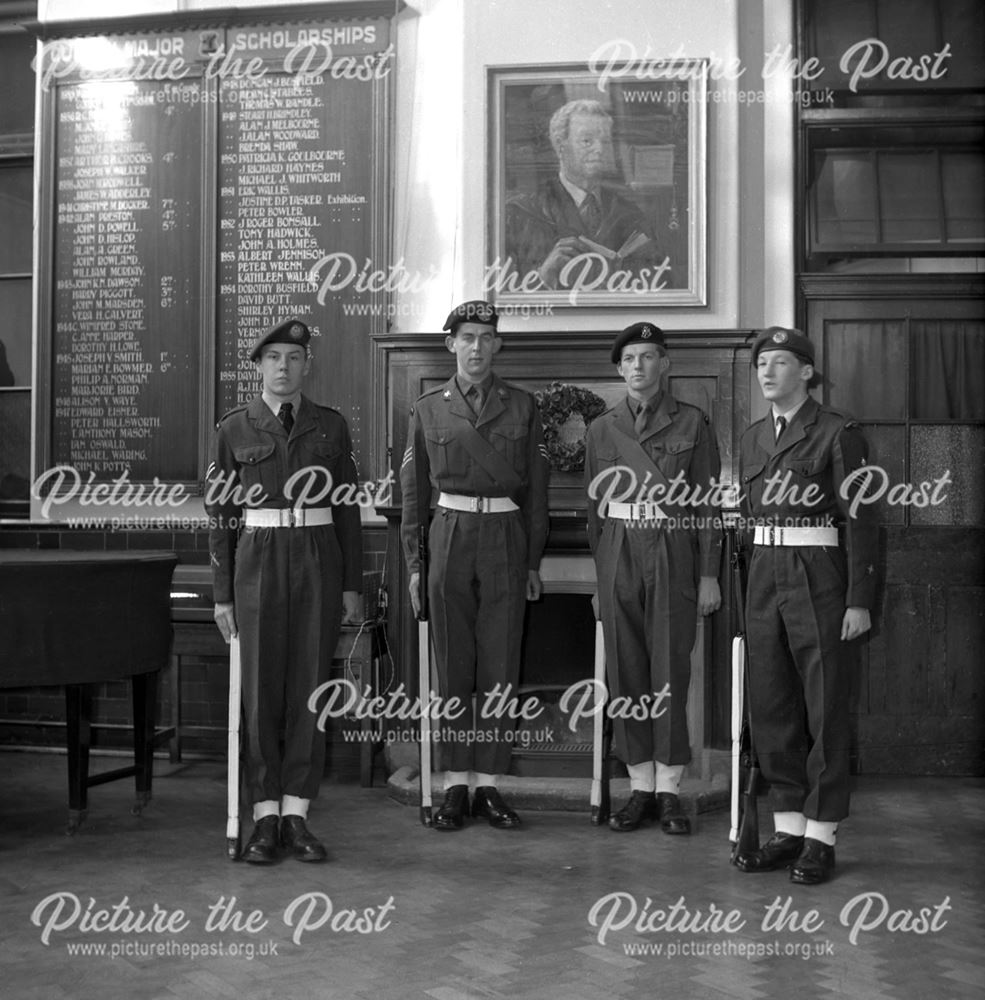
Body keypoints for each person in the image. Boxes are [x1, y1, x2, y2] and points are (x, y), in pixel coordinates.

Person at [207, 317, 363, 864]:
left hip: (318, 557)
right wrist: (223, 593)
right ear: (258, 367)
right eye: (273, 358)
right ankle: (264, 816)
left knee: (309, 690)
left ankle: (297, 813)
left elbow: (346, 510)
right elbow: (221, 516)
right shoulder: (234, 429)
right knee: (260, 691)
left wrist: (351, 586)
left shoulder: (332, 427)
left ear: (306, 366)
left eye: (293, 358)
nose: (283, 367)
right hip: (258, 563)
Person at [733, 326, 877, 885]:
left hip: (819, 576)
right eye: (761, 363)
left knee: (824, 707)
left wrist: (859, 599)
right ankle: (789, 826)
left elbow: (863, 522)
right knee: (771, 705)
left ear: (808, 372)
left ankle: (821, 834)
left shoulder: (840, 433)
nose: (767, 372)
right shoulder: (750, 439)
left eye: (780, 362)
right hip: (764, 577)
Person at [400, 300, 550, 831]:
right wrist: (417, 566)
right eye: (468, 337)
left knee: (500, 665)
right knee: (452, 668)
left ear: (498, 345)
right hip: (449, 538)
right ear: (451, 345)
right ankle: (454, 784)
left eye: (487, 338)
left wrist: (532, 560)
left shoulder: (522, 407)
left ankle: (489, 784)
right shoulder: (427, 408)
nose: (478, 348)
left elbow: (535, 490)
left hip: (506, 538)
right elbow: (414, 497)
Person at [585, 322, 722, 835]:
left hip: (670, 544)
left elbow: (707, 505)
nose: (639, 366)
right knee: (625, 668)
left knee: (669, 669)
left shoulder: (691, 423)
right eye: (630, 358)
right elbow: (594, 508)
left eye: (649, 356)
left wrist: (708, 573)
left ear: (665, 365)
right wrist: (602, 577)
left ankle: (669, 788)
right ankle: (639, 784)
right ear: (619, 368)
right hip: (618, 547)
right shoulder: (603, 430)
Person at [504, 99, 672, 292]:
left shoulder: (631, 215)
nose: (600, 149)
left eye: (606, 141)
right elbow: (506, 301)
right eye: (587, 141)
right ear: (561, 146)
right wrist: (544, 276)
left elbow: (664, 287)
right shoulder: (521, 214)